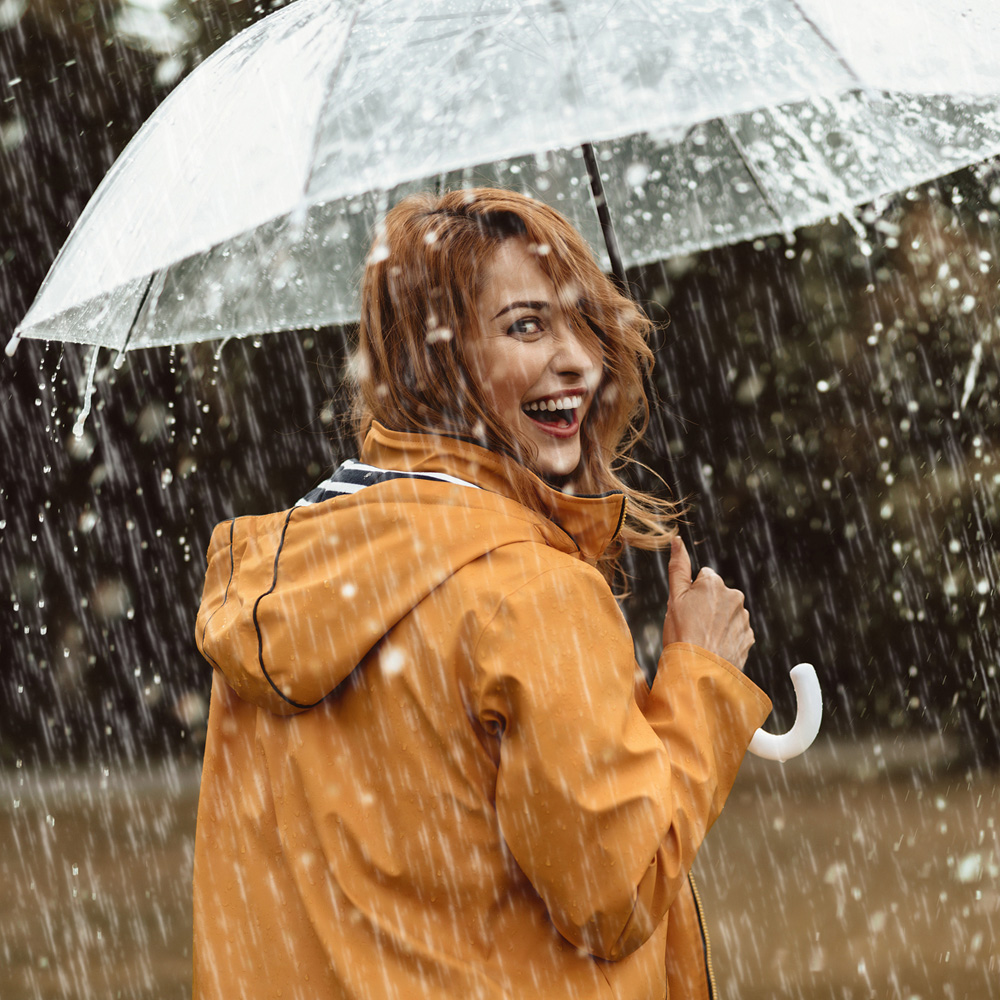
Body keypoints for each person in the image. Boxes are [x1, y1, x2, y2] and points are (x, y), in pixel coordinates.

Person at [192, 188, 771, 999]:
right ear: (436, 362)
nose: (578, 360)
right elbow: (616, 892)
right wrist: (699, 682)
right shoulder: (526, 593)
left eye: (585, 323)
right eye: (526, 326)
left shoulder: (293, 571)